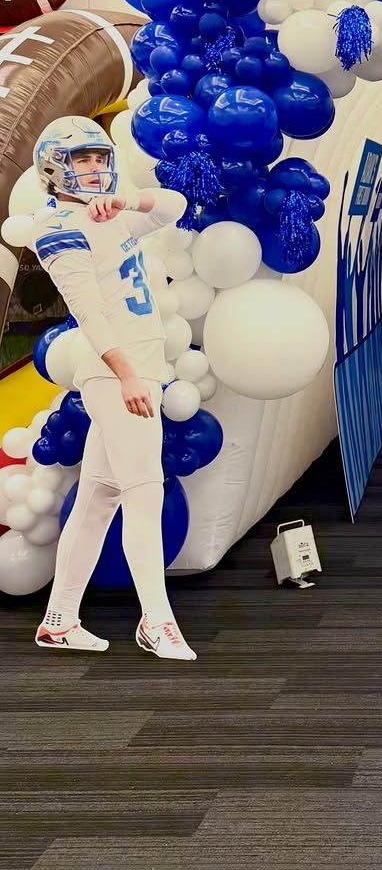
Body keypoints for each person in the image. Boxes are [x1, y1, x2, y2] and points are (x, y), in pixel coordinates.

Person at [29, 115, 197, 660]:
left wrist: (130, 201)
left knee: (98, 499)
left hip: (137, 367)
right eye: (83, 159)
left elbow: (176, 207)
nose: (95, 168)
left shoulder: (107, 215)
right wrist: (127, 375)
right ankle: (156, 619)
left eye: (100, 158)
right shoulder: (57, 227)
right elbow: (90, 314)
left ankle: (58, 620)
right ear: (56, 167)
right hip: (117, 372)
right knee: (145, 492)